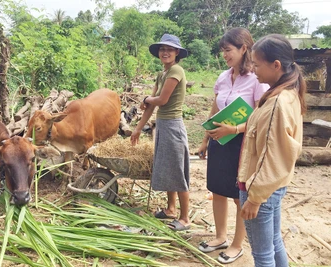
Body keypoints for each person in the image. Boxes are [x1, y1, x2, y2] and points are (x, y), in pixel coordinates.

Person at [197, 27, 268, 264]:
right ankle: (220, 237)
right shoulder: (222, 77)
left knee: (239, 195)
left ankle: (237, 244)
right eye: (223, 51)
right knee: (217, 189)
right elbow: (216, 108)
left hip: (242, 144)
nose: (224, 55)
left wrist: (235, 129)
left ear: (243, 48)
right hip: (219, 140)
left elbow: (261, 117)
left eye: (228, 50)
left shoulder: (257, 80)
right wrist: (206, 138)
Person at [238, 34, 306, 267]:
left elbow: (271, 156)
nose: (253, 69)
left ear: (276, 65)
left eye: (257, 64)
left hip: (262, 189)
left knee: (263, 254)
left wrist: (254, 198)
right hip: (274, 186)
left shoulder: (277, 102)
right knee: (275, 242)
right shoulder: (287, 94)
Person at [130, 33, 191, 231]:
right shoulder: (162, 73)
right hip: (163, 125)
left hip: (173, 126)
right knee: (168, 169)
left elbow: (161, 100)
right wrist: (137, 129)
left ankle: (184, 218)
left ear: (177, 53)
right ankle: (171, 209)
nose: (165, 52)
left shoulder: (176, 70)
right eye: (162, 49)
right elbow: (151, 104)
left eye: (169, 49)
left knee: (178, 171)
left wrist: (147, 98)